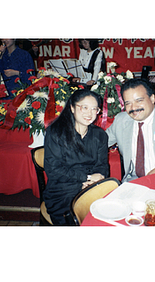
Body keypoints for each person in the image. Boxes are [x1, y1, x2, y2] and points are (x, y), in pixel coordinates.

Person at [43, 89, 109, 225]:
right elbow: (54, 170)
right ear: (72, 107)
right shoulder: (55, 132)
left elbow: (102, 165)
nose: (89, 114)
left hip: (92, 186)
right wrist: (86, 178)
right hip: (62, 189)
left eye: (94, 109)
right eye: (84, 107)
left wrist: (93, 183)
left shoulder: (100, 135)